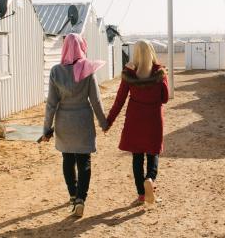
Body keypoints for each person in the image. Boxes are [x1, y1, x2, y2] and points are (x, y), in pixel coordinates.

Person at [42, 33, 108, 217]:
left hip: (64, 122)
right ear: (81, 47)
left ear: (64, 48)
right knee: (84, 161)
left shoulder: (56, 71)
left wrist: (46, 129)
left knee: (68, 160)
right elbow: (96, 101)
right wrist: (104, 123)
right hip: (83, 122)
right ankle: (81, 199)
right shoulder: (87, 69)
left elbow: (51, 104)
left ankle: (72, 194)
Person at [106, 40, 169, 204]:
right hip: (154, 118)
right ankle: (150, 179)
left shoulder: (129, 74)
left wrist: (109, 121)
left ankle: (141, 194)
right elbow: (165, 98)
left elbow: (119, 101)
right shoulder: (159, 73)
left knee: (137, 156)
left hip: (135, 119)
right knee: (153, 152)